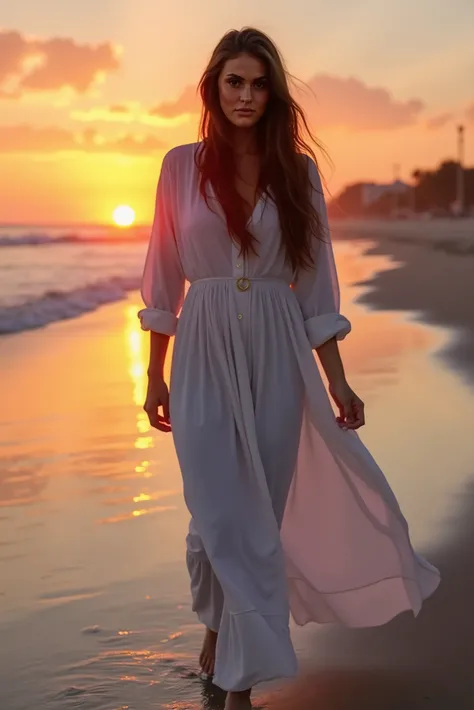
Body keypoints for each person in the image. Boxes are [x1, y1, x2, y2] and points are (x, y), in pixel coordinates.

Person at [138, 26, 440, 710]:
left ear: (273, 91)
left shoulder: (297, 172)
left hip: (278, 351)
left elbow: (314, 283)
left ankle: (234, 668)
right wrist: (154, 373)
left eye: (257, 82)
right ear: (213, 90)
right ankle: (223, 630)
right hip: (204, 352)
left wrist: (336, 377)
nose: (245, 95)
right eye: (233, 82)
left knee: (259, 513)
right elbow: (161, 276)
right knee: (214, 512)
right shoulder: (179, 167)